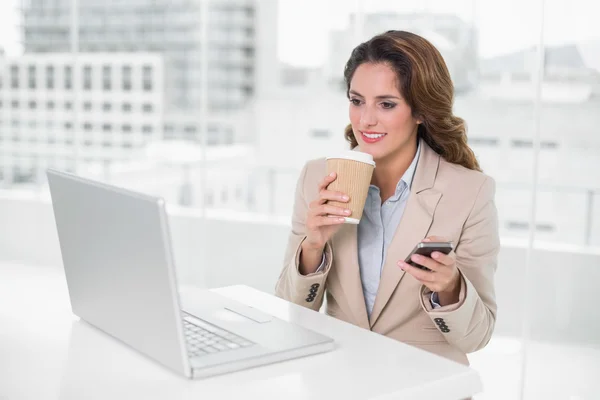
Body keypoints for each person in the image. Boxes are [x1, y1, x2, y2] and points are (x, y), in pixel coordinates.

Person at [275, 30, 500, 366]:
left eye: (387, 104)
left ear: (421, 111)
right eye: (356, 100)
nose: (366, 119)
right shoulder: (317, 178)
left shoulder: (470, 192)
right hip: (340, 379)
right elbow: (289, 314)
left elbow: (476, 337)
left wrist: (450, 287)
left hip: (426, 383)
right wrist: (313, 248)